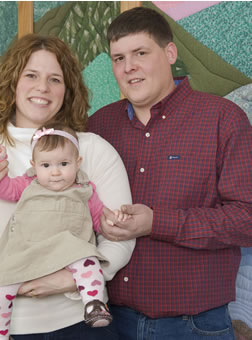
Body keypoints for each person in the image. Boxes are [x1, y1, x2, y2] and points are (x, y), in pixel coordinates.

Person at [0, 33, 135, 339]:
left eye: (55, 79)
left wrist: (71, 280)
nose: (42, 88)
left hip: (79, 325)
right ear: (12, 81)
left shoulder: (91, 150)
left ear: (67, 90)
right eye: (31, 75)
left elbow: (120, 237)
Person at [88, 6, 252, 340]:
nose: (128, 66)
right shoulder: (99, 126)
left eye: (140, 53)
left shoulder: (224, 120)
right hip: (108, 321)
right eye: (118, 58)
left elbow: (246, 220)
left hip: (195, 326)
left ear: (170, 52)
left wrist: (156, 222)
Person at [0, 122, 130, 339]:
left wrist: (114, 220)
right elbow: (4, 189)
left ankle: (94, 304)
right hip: (26, 250)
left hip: (67, 251)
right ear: (34, 165)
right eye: (46, 166)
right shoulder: (28, 183)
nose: (56, 172)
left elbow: (99, 219)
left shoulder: (84, 190)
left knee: (88, 261)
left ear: (78, 163)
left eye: (64, 163)